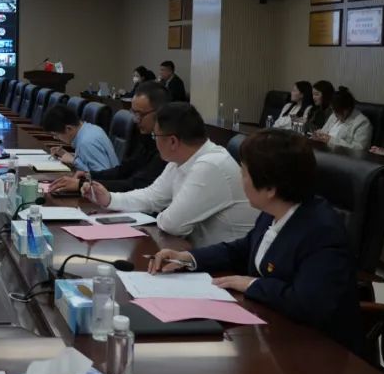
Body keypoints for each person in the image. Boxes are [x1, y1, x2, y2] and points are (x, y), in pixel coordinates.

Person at [148, 130, 360, 349]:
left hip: (317, 349)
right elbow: (244, 248)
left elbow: (306, 303)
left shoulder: (321, 231)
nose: (241, 181)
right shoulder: (274, 212)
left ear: (270, 189)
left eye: (244, 174)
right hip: (273, 330)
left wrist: (252, 284)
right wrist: (188, 258)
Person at [84, 103, 258, 246]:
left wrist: (161, 213)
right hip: (194, 253)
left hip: (225, 266)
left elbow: (172, 224)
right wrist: (109, 199)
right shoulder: (180, 160)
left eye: (155, 136)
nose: (154, 141)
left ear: (173, 141)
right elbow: (152, 197)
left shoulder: (211, 165)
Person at [50, 81, 169, 195]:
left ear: (160, 113)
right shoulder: (147, 138)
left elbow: (137, 185)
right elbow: (124, 170)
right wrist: (89, 176)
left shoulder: (167, 146)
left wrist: (83, 185)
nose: (135, 120)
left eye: (140, 114)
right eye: (133, 113)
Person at [41, 103, 120, 173]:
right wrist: (70, 155)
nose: (55, 138)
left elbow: (102, 176)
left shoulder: (86, 142)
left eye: (56, 134)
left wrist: (74, 161)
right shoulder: (90, 128)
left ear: (68, 128)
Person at [312, 86, 371, 151]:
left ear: (347, 109)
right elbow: (324, 132)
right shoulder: (334, 115)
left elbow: (359, 148)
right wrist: (319, 135)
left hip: (342, 155)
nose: (335, 113)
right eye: (333, 109)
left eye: (337, 111)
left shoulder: (362, 122)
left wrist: (330, 140)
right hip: (324, 151)